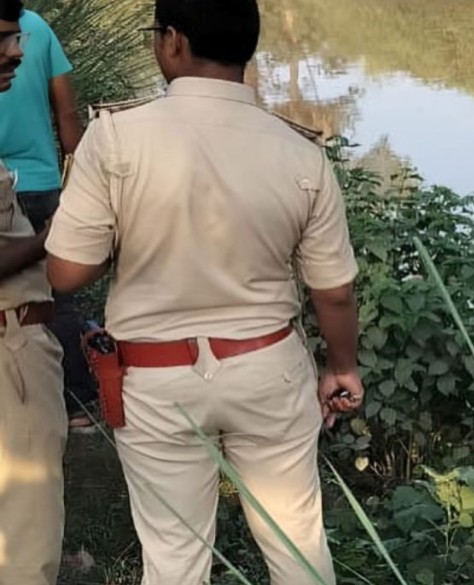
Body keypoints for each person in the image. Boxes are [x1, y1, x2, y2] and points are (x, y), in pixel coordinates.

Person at [44, 0, 364, 583]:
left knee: (174, 556)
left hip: (154, 378)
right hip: (268, 367)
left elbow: (65, 274)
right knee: (297, 543)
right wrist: (342, 367)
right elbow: (334, 292)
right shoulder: (299, 150)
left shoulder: (115, 138)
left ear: (172, 42)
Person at [0, 6, 97, 432]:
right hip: (40, 182)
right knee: (57, 293)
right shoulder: (36, 26)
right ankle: (77, 404)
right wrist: (84, 178)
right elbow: (66, 112)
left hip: (8, 181)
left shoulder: (23, 29)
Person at [0, 0, 69, 583]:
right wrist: (52, 236)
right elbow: (70, 122)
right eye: (2, 40)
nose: (17, 53)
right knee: (28, 531)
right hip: (9, 351)